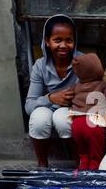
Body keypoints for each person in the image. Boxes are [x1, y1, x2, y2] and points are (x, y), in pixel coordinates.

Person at [25, 14, 82, 167]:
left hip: (73, 110)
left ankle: (79, 162)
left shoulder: (82, 62)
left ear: (74, 42)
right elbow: (29, 106)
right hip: (48, 106)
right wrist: (50, 98)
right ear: (47, 42)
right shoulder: (40, 66)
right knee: (39, 118)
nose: (63, 45)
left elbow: (95, 96)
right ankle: (42, 164)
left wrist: (75, 101)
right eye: (57, 40)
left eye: (69, 40)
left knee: (62, 118)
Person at [69, 53, 106, 170]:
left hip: (76, 122)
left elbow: (67, 99)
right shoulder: (102, 85)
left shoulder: (75, 86)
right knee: (96, 154)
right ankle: (94, 169)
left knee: (83, 153)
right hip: (93, 122)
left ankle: (82, 166)